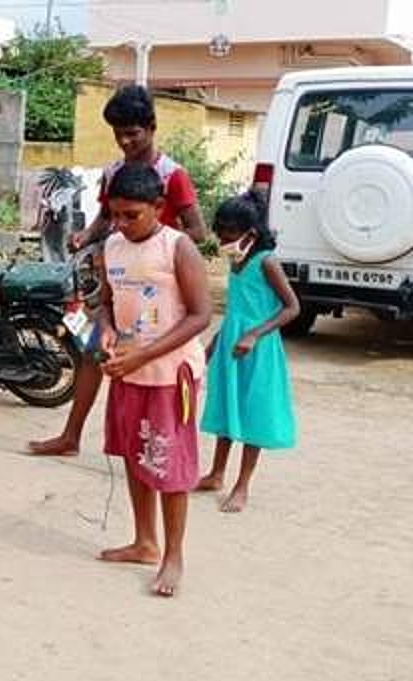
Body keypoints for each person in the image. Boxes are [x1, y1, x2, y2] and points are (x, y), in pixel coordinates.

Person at [29, 84, 208, 457]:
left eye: (133, 133)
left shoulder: (172, 175)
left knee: (153, 365)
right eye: (118, 134)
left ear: (152, 127)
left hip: (158, 289)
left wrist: (157, 246)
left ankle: (159, 450)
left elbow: (197, 231)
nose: (125, 141)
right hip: (119, 281)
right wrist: (88, 237)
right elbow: (105, 220)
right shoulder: (113, 173)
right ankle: (72, 436)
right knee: (96, 353)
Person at [97, 162, 212, 597]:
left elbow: (202, 315)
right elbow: (105, 303)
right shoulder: (111, 248)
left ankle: (173, 555)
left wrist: (144, 354)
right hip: (127, 370)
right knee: (133, 453)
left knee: (168, 463)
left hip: (169, 375)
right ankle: (145, 541)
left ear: (159, 208)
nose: (122, 224)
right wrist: (106, 331)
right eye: (116, 215)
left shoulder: (177, 247)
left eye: (133, 216)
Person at [197, 192, 299, 512]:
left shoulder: (265, 262)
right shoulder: (235, 260)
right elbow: (237, 307)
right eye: (220, 231)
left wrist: (255, 334)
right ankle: (216, 473)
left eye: (229, 232)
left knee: (254, 414)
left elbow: (292, 307)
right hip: (231, 344)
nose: (223, 239)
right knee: (228, 408)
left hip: (259, 349)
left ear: (250, 233)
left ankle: (242, 485)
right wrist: (216, 341)